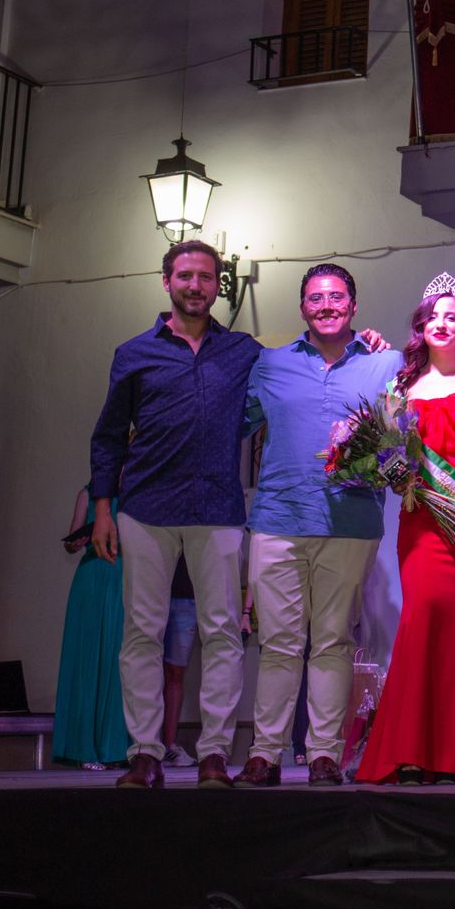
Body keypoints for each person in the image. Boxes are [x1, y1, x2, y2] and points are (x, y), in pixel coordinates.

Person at [90, 239, 263, 789]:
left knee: (222, 634)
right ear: (167, 282)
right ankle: (146, 751)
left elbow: (303, 361)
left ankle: (214, 752)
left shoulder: (243, 352)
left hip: (216, 507)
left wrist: (364, 341)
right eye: (185, 276)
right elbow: (109, 437)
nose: (195, 286)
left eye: (206, 278)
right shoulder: (133, 353)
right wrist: (102, 509)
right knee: (143, 631)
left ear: (218, 286)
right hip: (145, 508)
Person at [234, 264, 402, 788]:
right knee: (279, 643)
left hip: (352, 522)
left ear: (353, 305)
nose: (326, 305)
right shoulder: (270, 363)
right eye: (315, 298)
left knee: (332, 642)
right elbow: (232, 423)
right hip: (278, 519)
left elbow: (400, 440)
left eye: (335, 297)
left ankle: (324, 754)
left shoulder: (386, 363)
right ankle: (264, 754)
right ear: (302, 307)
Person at [356, 274, 455, 785]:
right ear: (420, 328)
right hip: (421, 519)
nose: (442, 323)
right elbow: (385, 456)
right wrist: (391, 468)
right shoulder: (400, 388)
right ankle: (411, 750)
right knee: (420, 621)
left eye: (452, 315)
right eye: (433, 317)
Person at [52, 488, 129, 769]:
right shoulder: (87, 495)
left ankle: (118, 748)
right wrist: (76, 541)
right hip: (92, 577)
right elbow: (70, 542)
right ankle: (86, 750)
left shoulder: (137, 490)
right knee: (88, 660)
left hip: (123, 576)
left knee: (119, 661)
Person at [158, 558, 198, 767]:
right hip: (154, 593)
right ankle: (142, 743)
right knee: (145, 669)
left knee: (175, 672)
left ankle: (169, 745)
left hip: (185, 596)